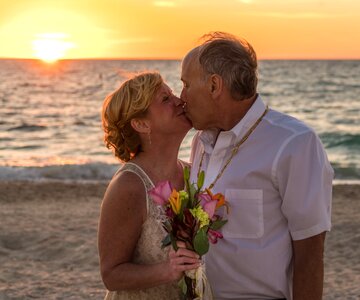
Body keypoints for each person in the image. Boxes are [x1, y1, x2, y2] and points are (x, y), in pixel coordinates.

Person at [180, 32, 334, 300]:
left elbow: (310, 253)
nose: (181, 97)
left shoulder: (294, 143)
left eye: (186, 85)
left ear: (215, 86)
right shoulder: (201, 142)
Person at [98, 71, 200, 300]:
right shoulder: (129, 186)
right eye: (165, 99)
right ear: (141, 124)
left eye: (173, 94)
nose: (179, 101)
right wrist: (167, 271)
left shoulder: (194, 173)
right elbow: (111, 275)